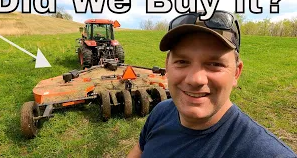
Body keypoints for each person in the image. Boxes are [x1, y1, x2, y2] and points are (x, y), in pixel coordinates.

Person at [127, 10, 297, 158]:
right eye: (182, 61)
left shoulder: (266, 153)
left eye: (215, 64)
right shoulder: (161, 112)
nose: (195, 79)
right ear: (167, 67)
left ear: (236, 73)